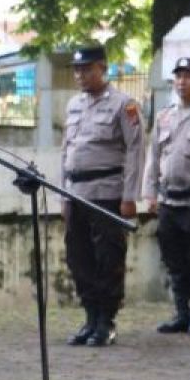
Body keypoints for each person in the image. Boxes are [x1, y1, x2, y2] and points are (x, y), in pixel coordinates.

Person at [61, 44, 144, 346]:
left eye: (87, 68)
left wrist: (130, 195)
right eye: (77, 69)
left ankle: (106, 320)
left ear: (102, 68)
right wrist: (63, 194)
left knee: (107, 257)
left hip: (108, 191)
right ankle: (90, 316)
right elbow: (66, 151)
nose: (80, 74)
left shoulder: (124, 104)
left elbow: (136, 150)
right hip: (76, 191)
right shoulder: (73, 105)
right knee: (78, 257)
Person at [141, 56, 190, 336]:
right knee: (174, 261)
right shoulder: (164, 116)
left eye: (188, 76)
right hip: (169, 202)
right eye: (178, 76)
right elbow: (154, 157)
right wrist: (150, 194)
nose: (182, 82)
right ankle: (181, 313)